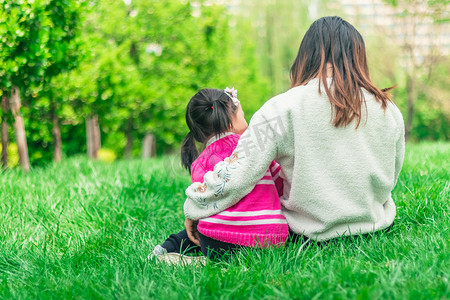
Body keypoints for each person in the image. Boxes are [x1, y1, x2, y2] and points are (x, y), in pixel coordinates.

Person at [184, 16, 405, 246]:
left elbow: (236, 175)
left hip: (308, 238)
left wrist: (196, 206)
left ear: (306, 56)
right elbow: (391, 175)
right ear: (358, 57)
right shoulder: (388, 110)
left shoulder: (281, 110)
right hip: (375, 231)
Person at [150, 87, 289, 263]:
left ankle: (165, 249)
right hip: (266, 241)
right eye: (242, 114)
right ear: (231, 121)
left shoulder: (199, 163)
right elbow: (280, 183)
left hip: (215, 243)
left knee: (195, 232)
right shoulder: (251, 147)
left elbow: (206, 203)